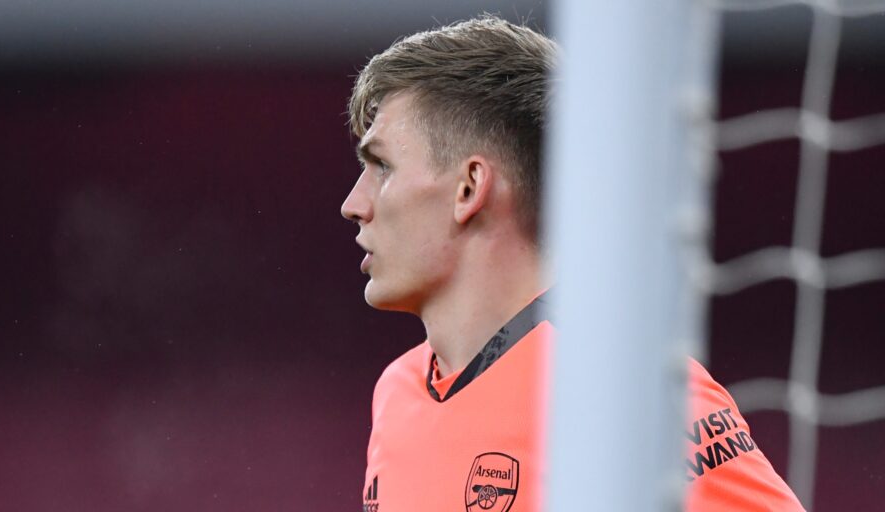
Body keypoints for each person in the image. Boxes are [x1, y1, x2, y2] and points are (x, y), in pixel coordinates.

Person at [340, 14, 804, 512]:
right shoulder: (397, 391)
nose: (354, 203)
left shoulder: (624, 388)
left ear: (469, 188)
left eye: (382, 166)